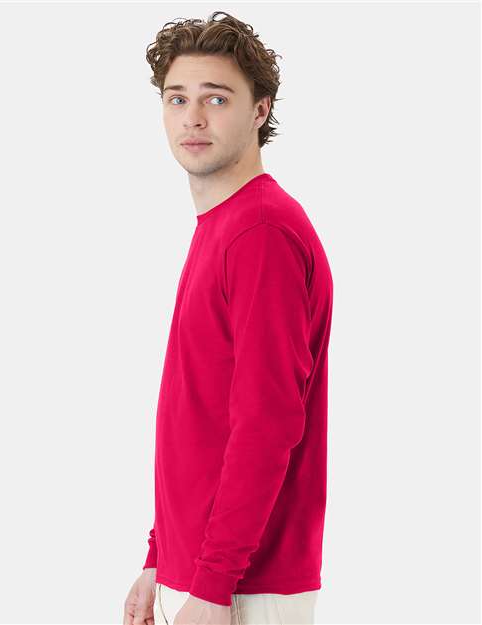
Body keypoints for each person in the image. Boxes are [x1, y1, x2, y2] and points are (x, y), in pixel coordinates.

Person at [123, 10, 333, 625]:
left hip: (241, 585)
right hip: (205, 575)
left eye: (216, 98)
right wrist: (160, 555)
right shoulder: (226, 224)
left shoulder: (260, 233)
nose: (192, 117)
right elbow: (199, 414)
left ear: (260, 110)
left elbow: (266, 424)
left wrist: (213, 584)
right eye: (177, 98)